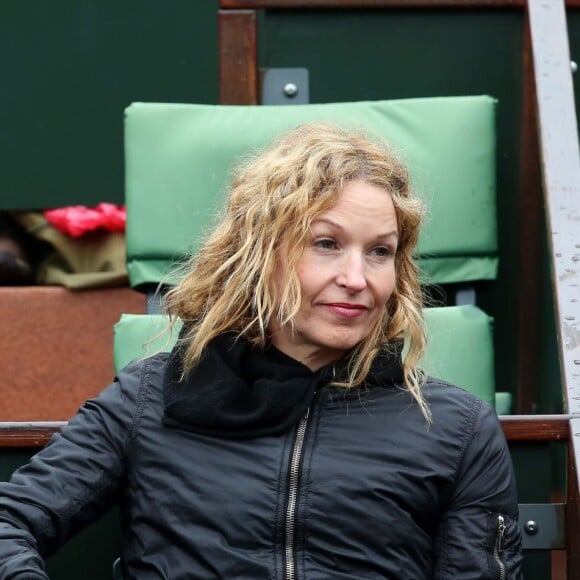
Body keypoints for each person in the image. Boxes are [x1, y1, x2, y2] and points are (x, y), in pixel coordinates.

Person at [0, 123, 522, 578]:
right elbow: (10, 523)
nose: (356, 278)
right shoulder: (149, 398)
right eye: (326, 243)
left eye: (380, 252)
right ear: (257, 255)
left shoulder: (457, 429)